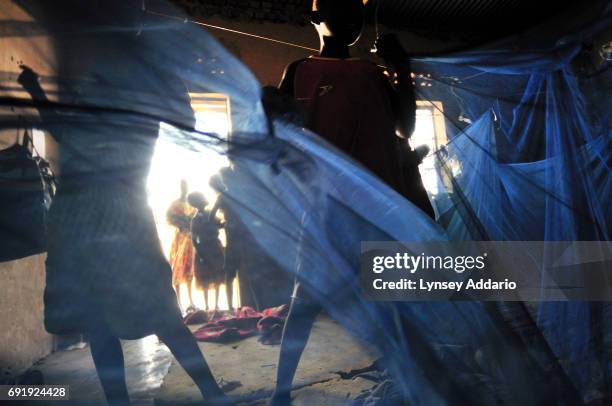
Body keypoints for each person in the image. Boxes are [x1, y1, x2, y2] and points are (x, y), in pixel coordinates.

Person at [17, 59, 228, 406]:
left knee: (131, 320)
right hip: (104, 227)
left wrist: (36, 90)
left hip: (99, 228)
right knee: (132, 319)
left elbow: (183, 118)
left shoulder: (127, 117)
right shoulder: (127, 118)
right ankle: (209, 393)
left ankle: (205, 393)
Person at [269, 0, 433, 403]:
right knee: (305, 301)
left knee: (393, 299)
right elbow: (282, 141)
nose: (350, 19)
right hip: (325, 207)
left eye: (354, 12)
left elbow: (405, 126)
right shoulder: (300, 71)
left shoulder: (373, 74)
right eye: (337, 8)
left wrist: (402, 70)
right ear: (314, 19)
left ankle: (409, 378)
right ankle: (281, 391)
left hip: (375, 208)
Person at [188, 192, 225, 312]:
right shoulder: (196, 218)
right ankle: (208, 305)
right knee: (205, 278)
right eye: (202, 197)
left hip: (214, 247)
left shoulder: (210, 213)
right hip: (205, 250)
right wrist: (201, 254)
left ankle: (216, 305)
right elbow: (194, 239)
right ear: (198, 202)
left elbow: (219, 225)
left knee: (217, 276)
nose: (205, 198)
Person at [167, 179, 197, 312]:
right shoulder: (175, 204)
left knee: (189, 269)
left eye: (186, 186)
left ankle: (191, 301)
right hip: (180, 238)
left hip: (189, 238)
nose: (184, 188)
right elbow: (169, 218)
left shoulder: (192, 204)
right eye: (182, 186)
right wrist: (180, 224)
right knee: (178, 269)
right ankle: (178, 302)